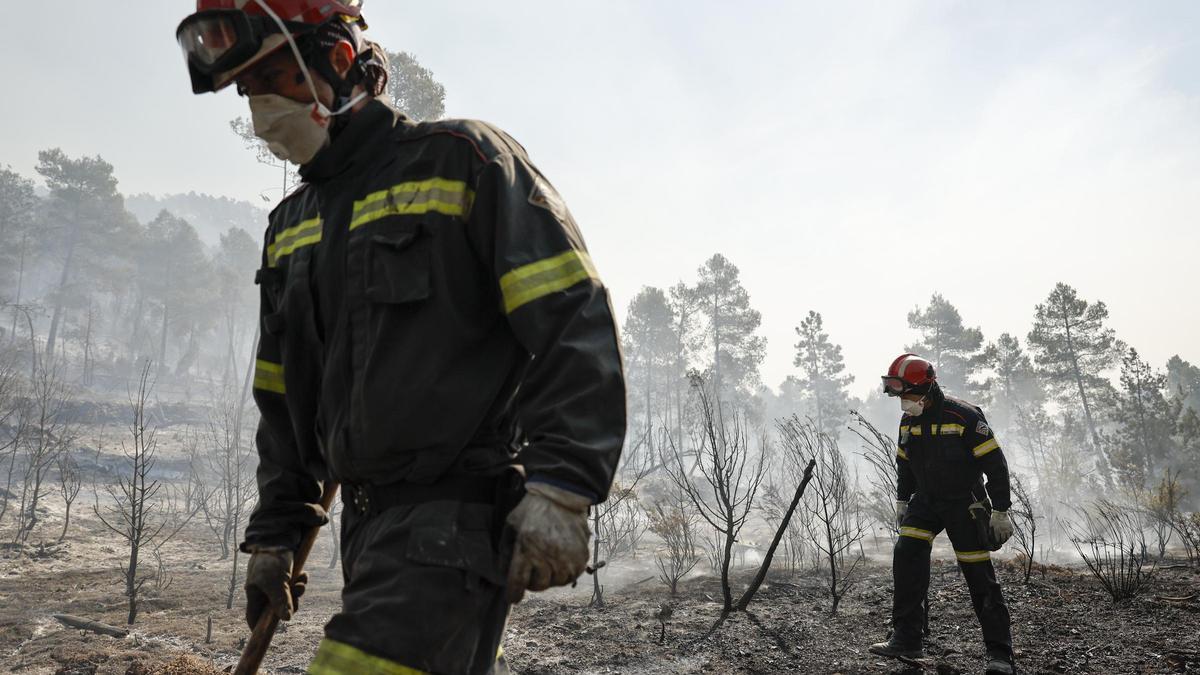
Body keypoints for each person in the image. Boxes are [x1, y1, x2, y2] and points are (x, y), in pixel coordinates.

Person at [176, 2, 626, 673]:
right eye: (248, 90)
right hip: (368, 534)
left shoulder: (465, 164)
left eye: (275, 76)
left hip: (457, 528)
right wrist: (277, 533)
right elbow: (283, 397)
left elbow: (572, 317)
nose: (263, 106)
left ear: (336, 59)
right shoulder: (291, 227)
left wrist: (562, 485)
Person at [870, 354, 1017, 675]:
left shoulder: (962, 416)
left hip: (965, 503)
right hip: (926, 502)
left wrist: (1002, 510)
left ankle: (1000, 655)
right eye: (899, 396)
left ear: (925, 388)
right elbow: (904, 465)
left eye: (906, 394)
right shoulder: (909, 420)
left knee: (978, 574)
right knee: (906, 552)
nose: (903, 402)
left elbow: (996, 464)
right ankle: (907, 638)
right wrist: (902, 501)